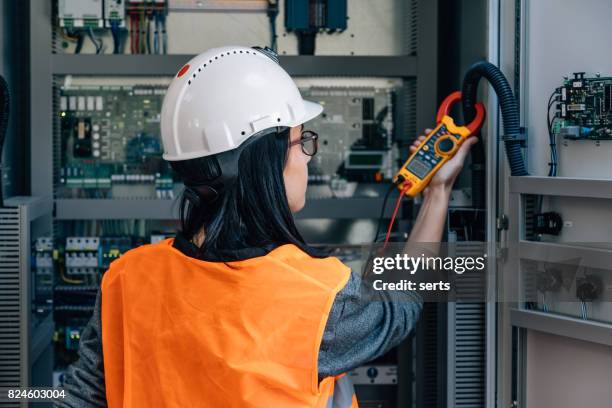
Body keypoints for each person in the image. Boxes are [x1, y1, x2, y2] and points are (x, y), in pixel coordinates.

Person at [55, 46, 477, 408]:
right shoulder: (320, 298)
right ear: (263, 162)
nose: (308, 157)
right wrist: (438, 192)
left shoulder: (128, 278)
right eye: (301, 141)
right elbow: (402, 304)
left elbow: (82, 398)